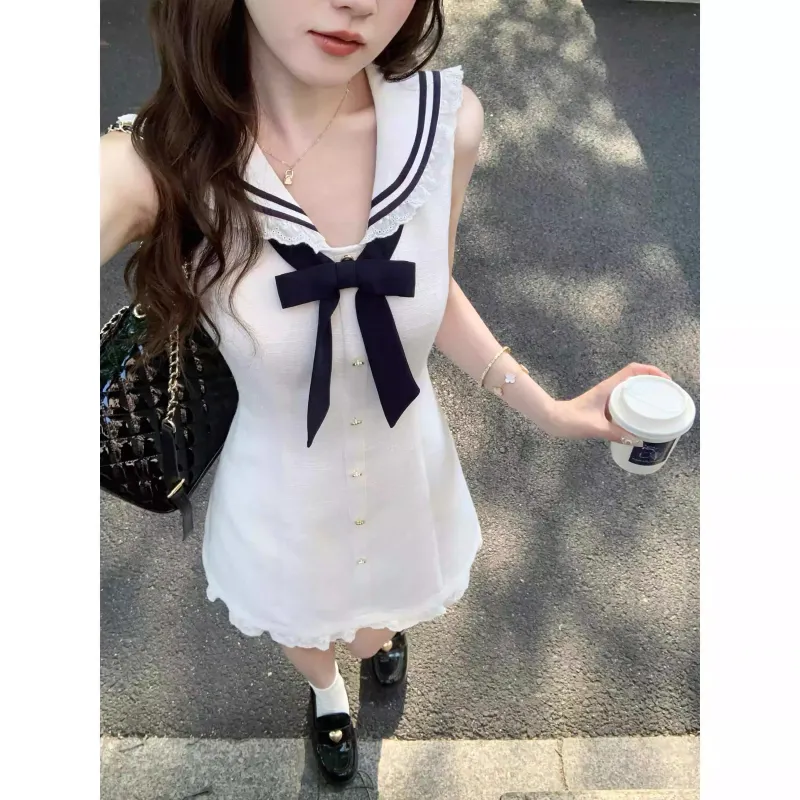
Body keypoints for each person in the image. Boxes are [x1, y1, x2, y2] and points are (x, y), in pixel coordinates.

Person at [100, 0, 668, 785]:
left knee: (377, 624)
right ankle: (328, 697)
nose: (358, 2)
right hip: (281, 493)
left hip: (407, 470)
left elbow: (434, 287)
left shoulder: (445, 127)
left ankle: (376, 642)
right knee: (305, 626)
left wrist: (552, 410)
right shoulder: (161, 166)